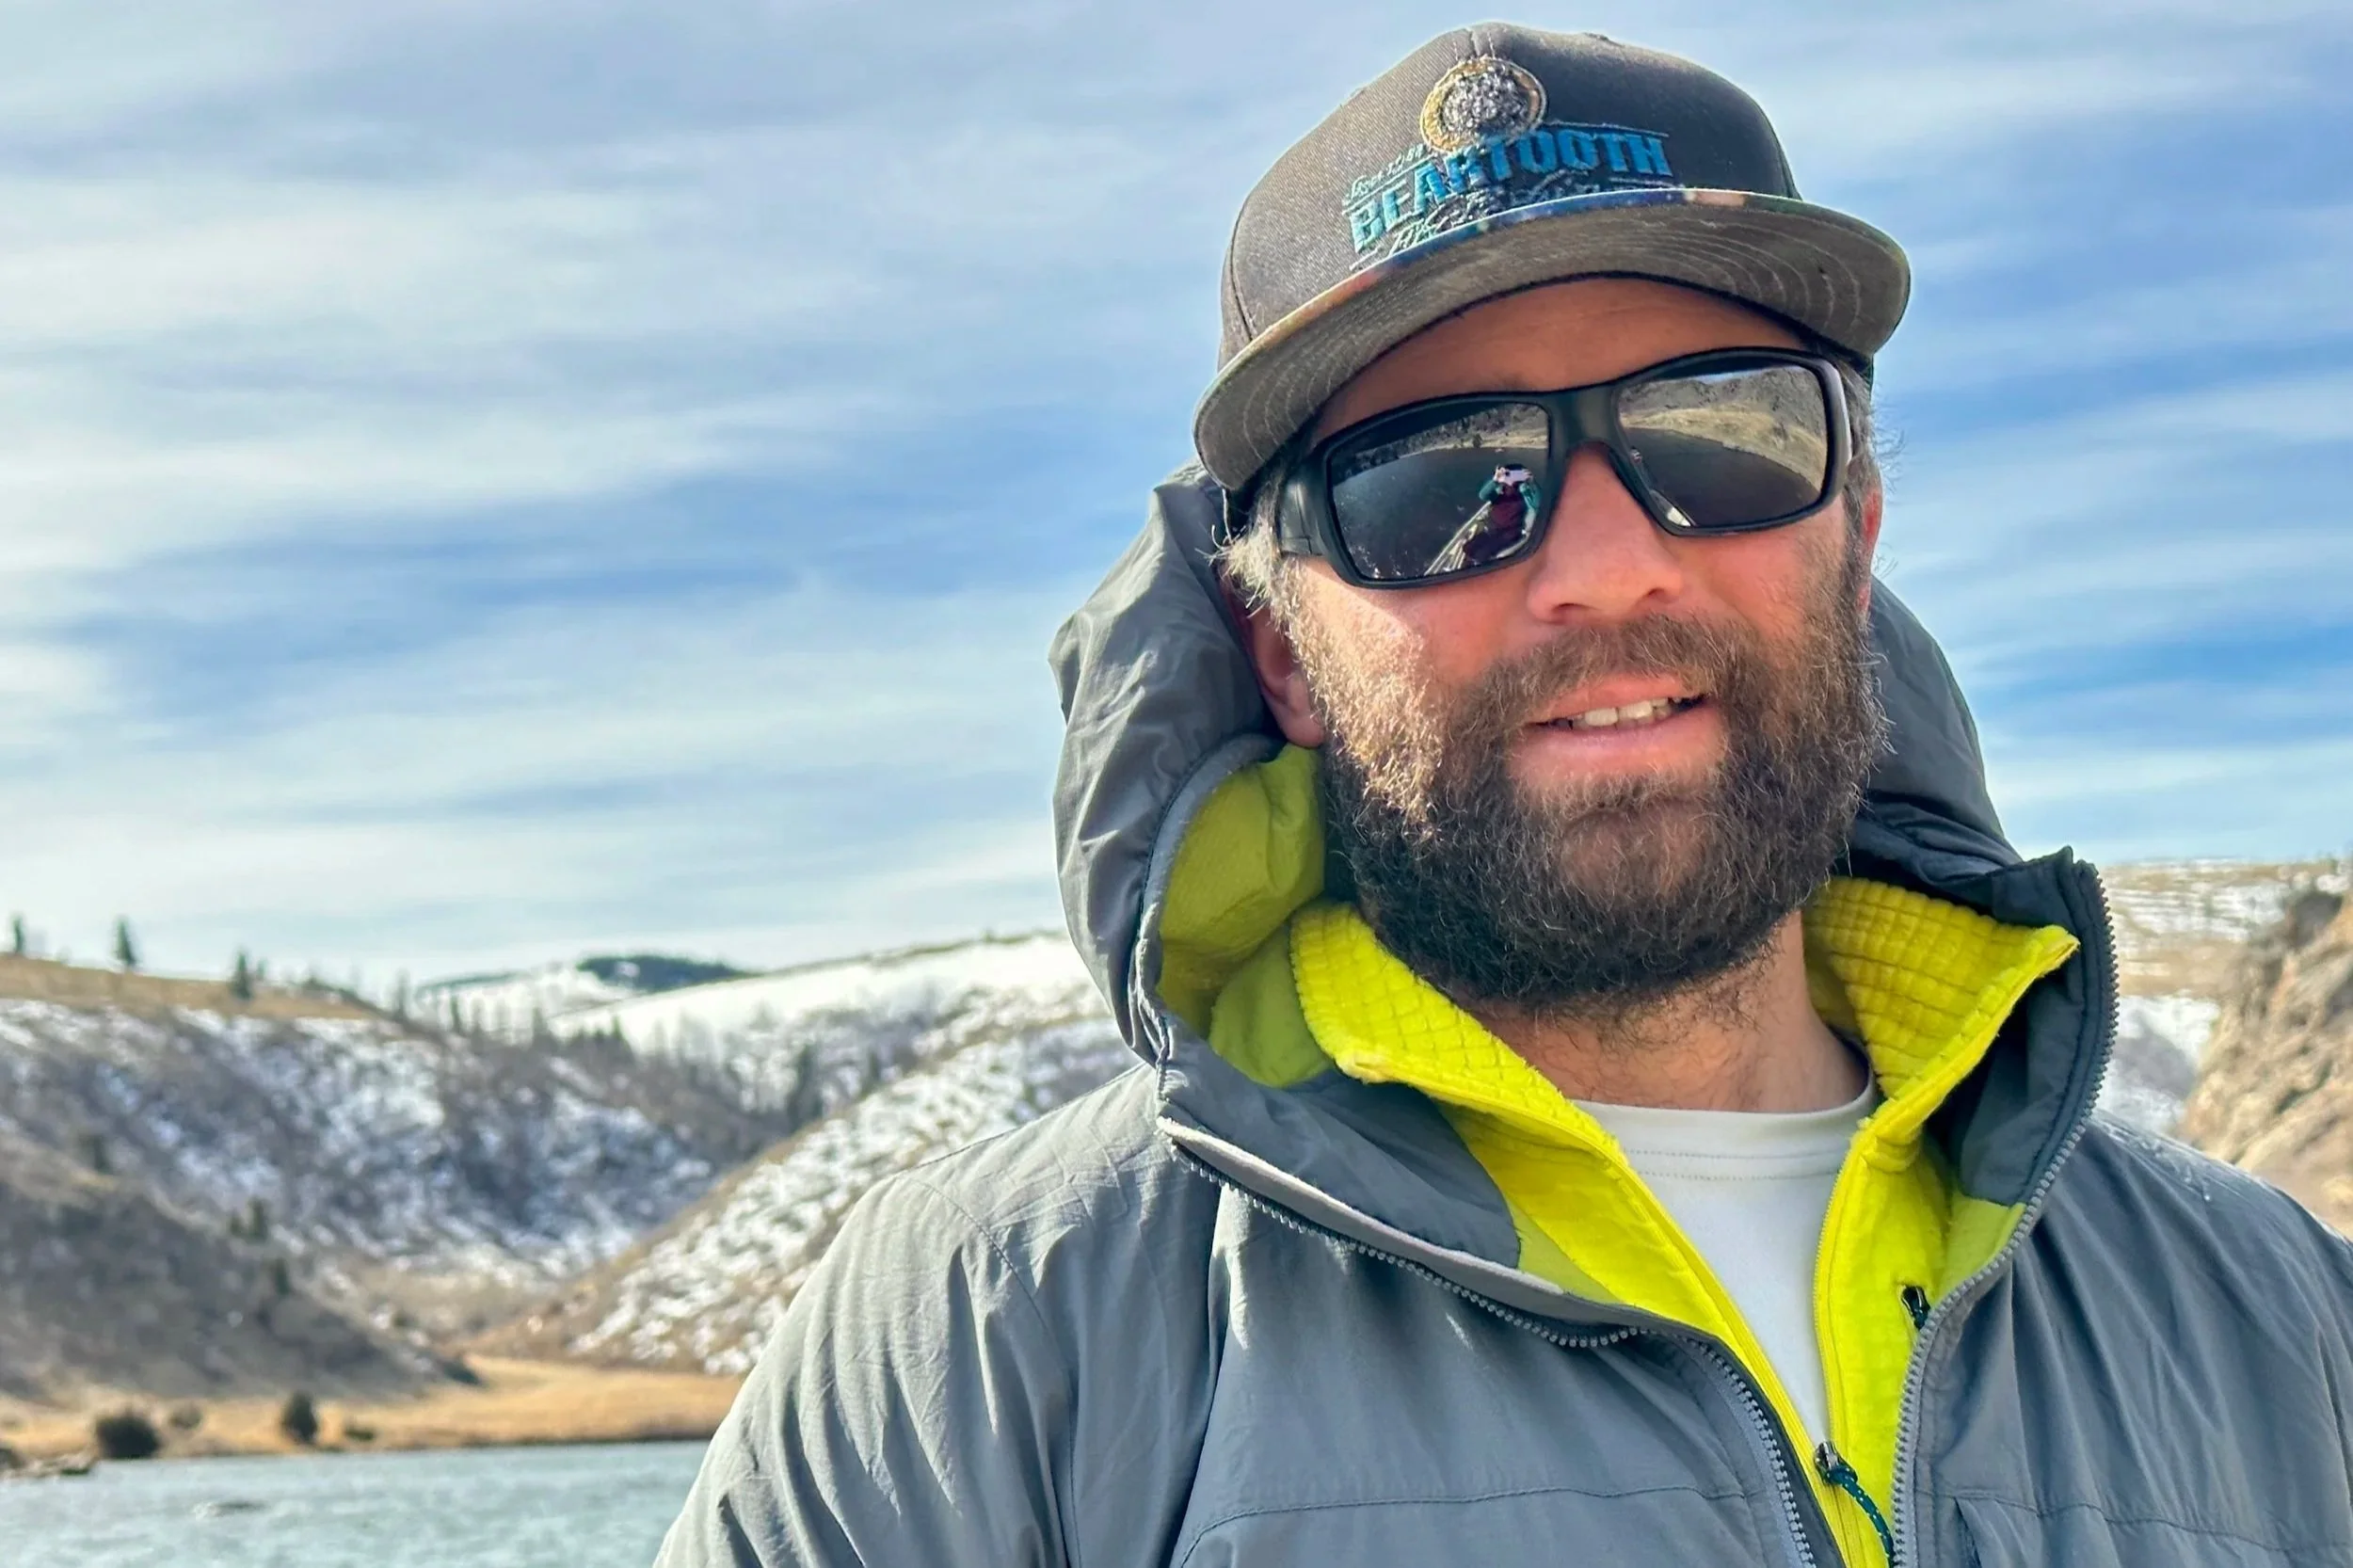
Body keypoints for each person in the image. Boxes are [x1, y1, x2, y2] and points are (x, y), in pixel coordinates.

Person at [660, 25, 2353, 1568]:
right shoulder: (979, 1350)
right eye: (1440, 483)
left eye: (1723, 432)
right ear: (1281, 652)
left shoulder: (2277, 1320)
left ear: (1856, 542)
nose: (1607, 567)